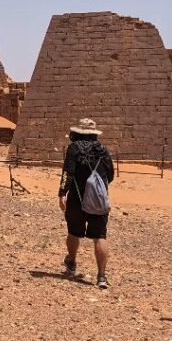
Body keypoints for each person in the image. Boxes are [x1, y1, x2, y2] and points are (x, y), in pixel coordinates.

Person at [58, 118, 114, 288]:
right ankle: (102, 276)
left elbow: (68, 172)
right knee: (100, 236)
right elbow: (110, 174)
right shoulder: (103, 149)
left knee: (74, 232)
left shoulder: (74, 148)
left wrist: (62, 193)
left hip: (77, 197)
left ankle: (72, 262)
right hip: (98, 198)